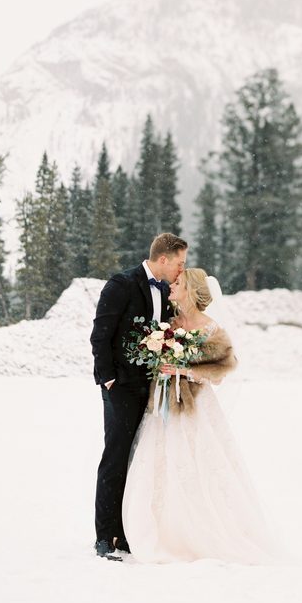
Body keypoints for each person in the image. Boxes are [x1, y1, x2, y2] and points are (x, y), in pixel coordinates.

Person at [121, 268, 279, 564]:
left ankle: (200, 531)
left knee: (198, 463)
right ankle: (158, 530)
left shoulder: (210, 328)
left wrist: (184, 370)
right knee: (158, 462)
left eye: (178, 283)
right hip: (164, 406)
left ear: (191, 290)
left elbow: (219, 374)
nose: (172, 286)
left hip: (196, 408)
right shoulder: (168, 323)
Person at [91, 232, 188, 559]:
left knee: (138, 460)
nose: (181, 270)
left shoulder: (167, 292)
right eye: (179, 263)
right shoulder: (121, 284)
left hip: (149, 390)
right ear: (163, 259)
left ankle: (125, 530)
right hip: (119, 389)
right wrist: (107, 379)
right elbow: (100, 334)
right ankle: (104, 535)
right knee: (115, 458)